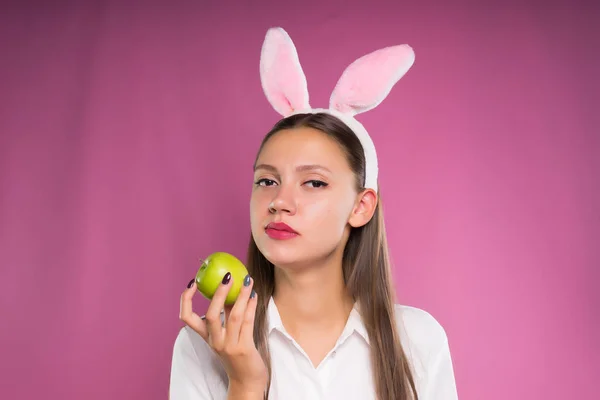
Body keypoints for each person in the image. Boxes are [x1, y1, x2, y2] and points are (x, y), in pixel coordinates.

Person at [170, 27, 459, 400]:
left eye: (314, 183)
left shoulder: (418, 340)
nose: (279, 201)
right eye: (266, 181)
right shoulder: (205, 343)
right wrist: (245, 384)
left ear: (361, 207)